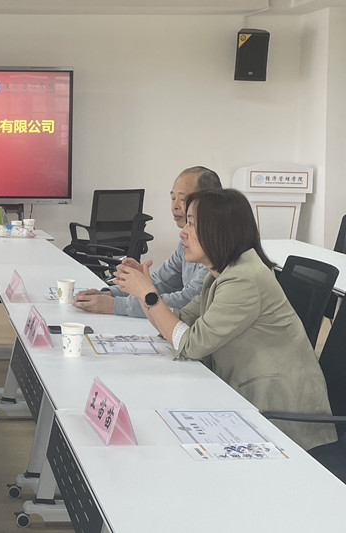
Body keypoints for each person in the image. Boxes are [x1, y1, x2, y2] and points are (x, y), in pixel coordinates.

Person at [114, 188, 336, 451]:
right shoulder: (220, 273)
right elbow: (179, 320)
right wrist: (144, 291)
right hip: (246, 399)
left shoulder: (245, 278)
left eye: (192, 224)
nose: (183, 232)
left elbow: (190, 344)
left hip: (282, 417)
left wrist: (148, 294)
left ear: (220, 231)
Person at [74, 166, 221, 318]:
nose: (175, 206)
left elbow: (187, 302)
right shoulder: (186, 239)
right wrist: (110, 293)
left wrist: (114, 305)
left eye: (183, 200)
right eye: (172, 198)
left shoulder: (219, 247)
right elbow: (163, 281)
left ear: (209, 203)